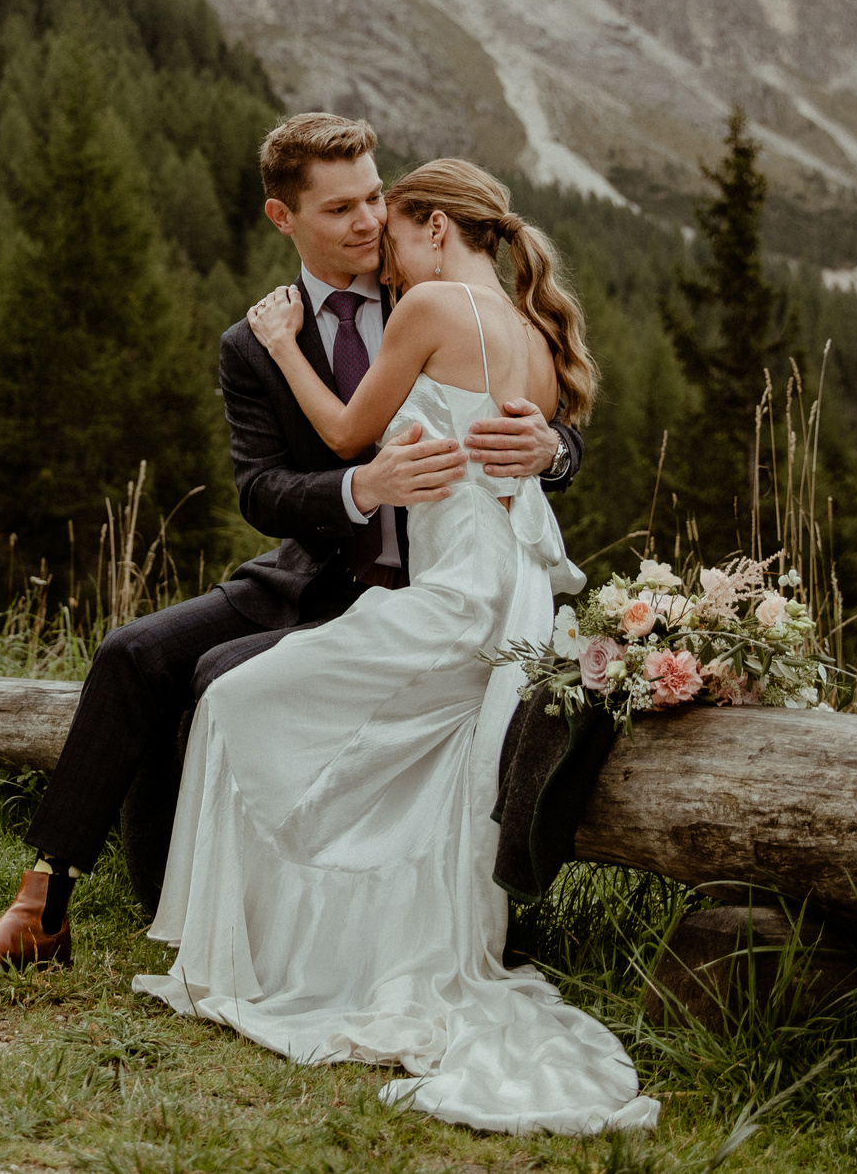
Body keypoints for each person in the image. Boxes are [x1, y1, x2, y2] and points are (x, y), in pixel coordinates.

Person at [0, 114, 582, 976]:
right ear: (284, 218)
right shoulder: (255, 343)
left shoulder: (431, 290)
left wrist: (553, 449)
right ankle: (38, 907)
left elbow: (545, 421)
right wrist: (361, 488)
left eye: (377, 198)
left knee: (219, 679)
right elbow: (260, 488)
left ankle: (183, 896)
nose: (369, 221)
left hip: (425, 588)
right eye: (341, 206)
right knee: (132, 653)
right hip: (310, 575)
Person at [132, 156, 657, 1137]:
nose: (387, 252)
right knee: (417, 786)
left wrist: (283, 344)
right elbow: (533, 455)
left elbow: (342, 437)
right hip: (514, 604)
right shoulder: (535, 328)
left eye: (395, 228)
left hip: (454, 599)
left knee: (238, 705)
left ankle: (256, 959)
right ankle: (344, 953)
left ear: (432, 227)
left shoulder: (429, 309)